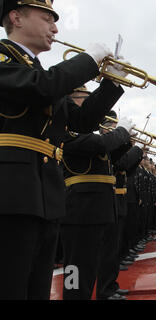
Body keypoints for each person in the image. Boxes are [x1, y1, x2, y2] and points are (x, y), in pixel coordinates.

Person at [0, 0, 123, 300]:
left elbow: (81, 121)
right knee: (11, 286)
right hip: (12, 194)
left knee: (37, 290)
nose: (55, 28)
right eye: (47, 19)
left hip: (46, 194)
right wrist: (88, 61)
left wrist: (111, 83)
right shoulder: (6, 59)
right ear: (16, 17)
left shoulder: (39, 72)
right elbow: (40, 87)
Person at [60, 110, 134, 300]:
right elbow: (101, 144)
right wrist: (121, 132)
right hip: (79, 208)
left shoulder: (90, 136)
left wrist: (126, 141)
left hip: (100, 206)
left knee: (100, 259)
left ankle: (105, 290)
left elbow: (112, 157)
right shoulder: (69, 130)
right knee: (75, 268)